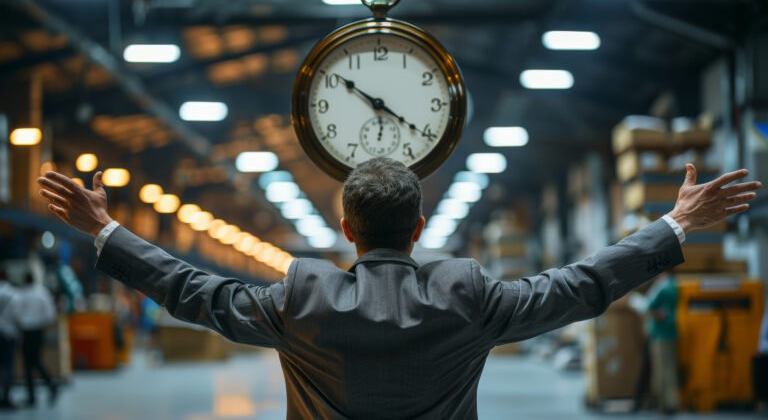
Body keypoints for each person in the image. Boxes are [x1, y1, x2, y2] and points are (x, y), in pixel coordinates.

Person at [36, 159, 761, 419]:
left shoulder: (303, 298)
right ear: (418, 229)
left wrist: (106, 232)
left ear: (346, 229)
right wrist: (673, 225)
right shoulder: (467, 295)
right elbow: (583, 285)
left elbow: (193, 291)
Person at [14, 272, 58, 406]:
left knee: (28, 364)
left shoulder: (20, 294)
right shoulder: (42, 293)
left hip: (26, 332)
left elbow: (16, 314)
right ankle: (49, 386)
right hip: (38, 331)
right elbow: (50, 315)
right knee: (36, 361)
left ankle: (33, 395)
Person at [646, 273, 679, 414]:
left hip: (660, 333)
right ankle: (672, 402)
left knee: (661, 369)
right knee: (671, 369)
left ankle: (663, 403)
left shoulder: (661, 287)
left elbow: (649, 305)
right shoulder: (675, 286)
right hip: (671, 332)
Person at [0, 269, 19, 410]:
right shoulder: (13, 294)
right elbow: (18, 316)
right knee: (7, 367)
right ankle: (6, 397)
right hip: (8, 334)